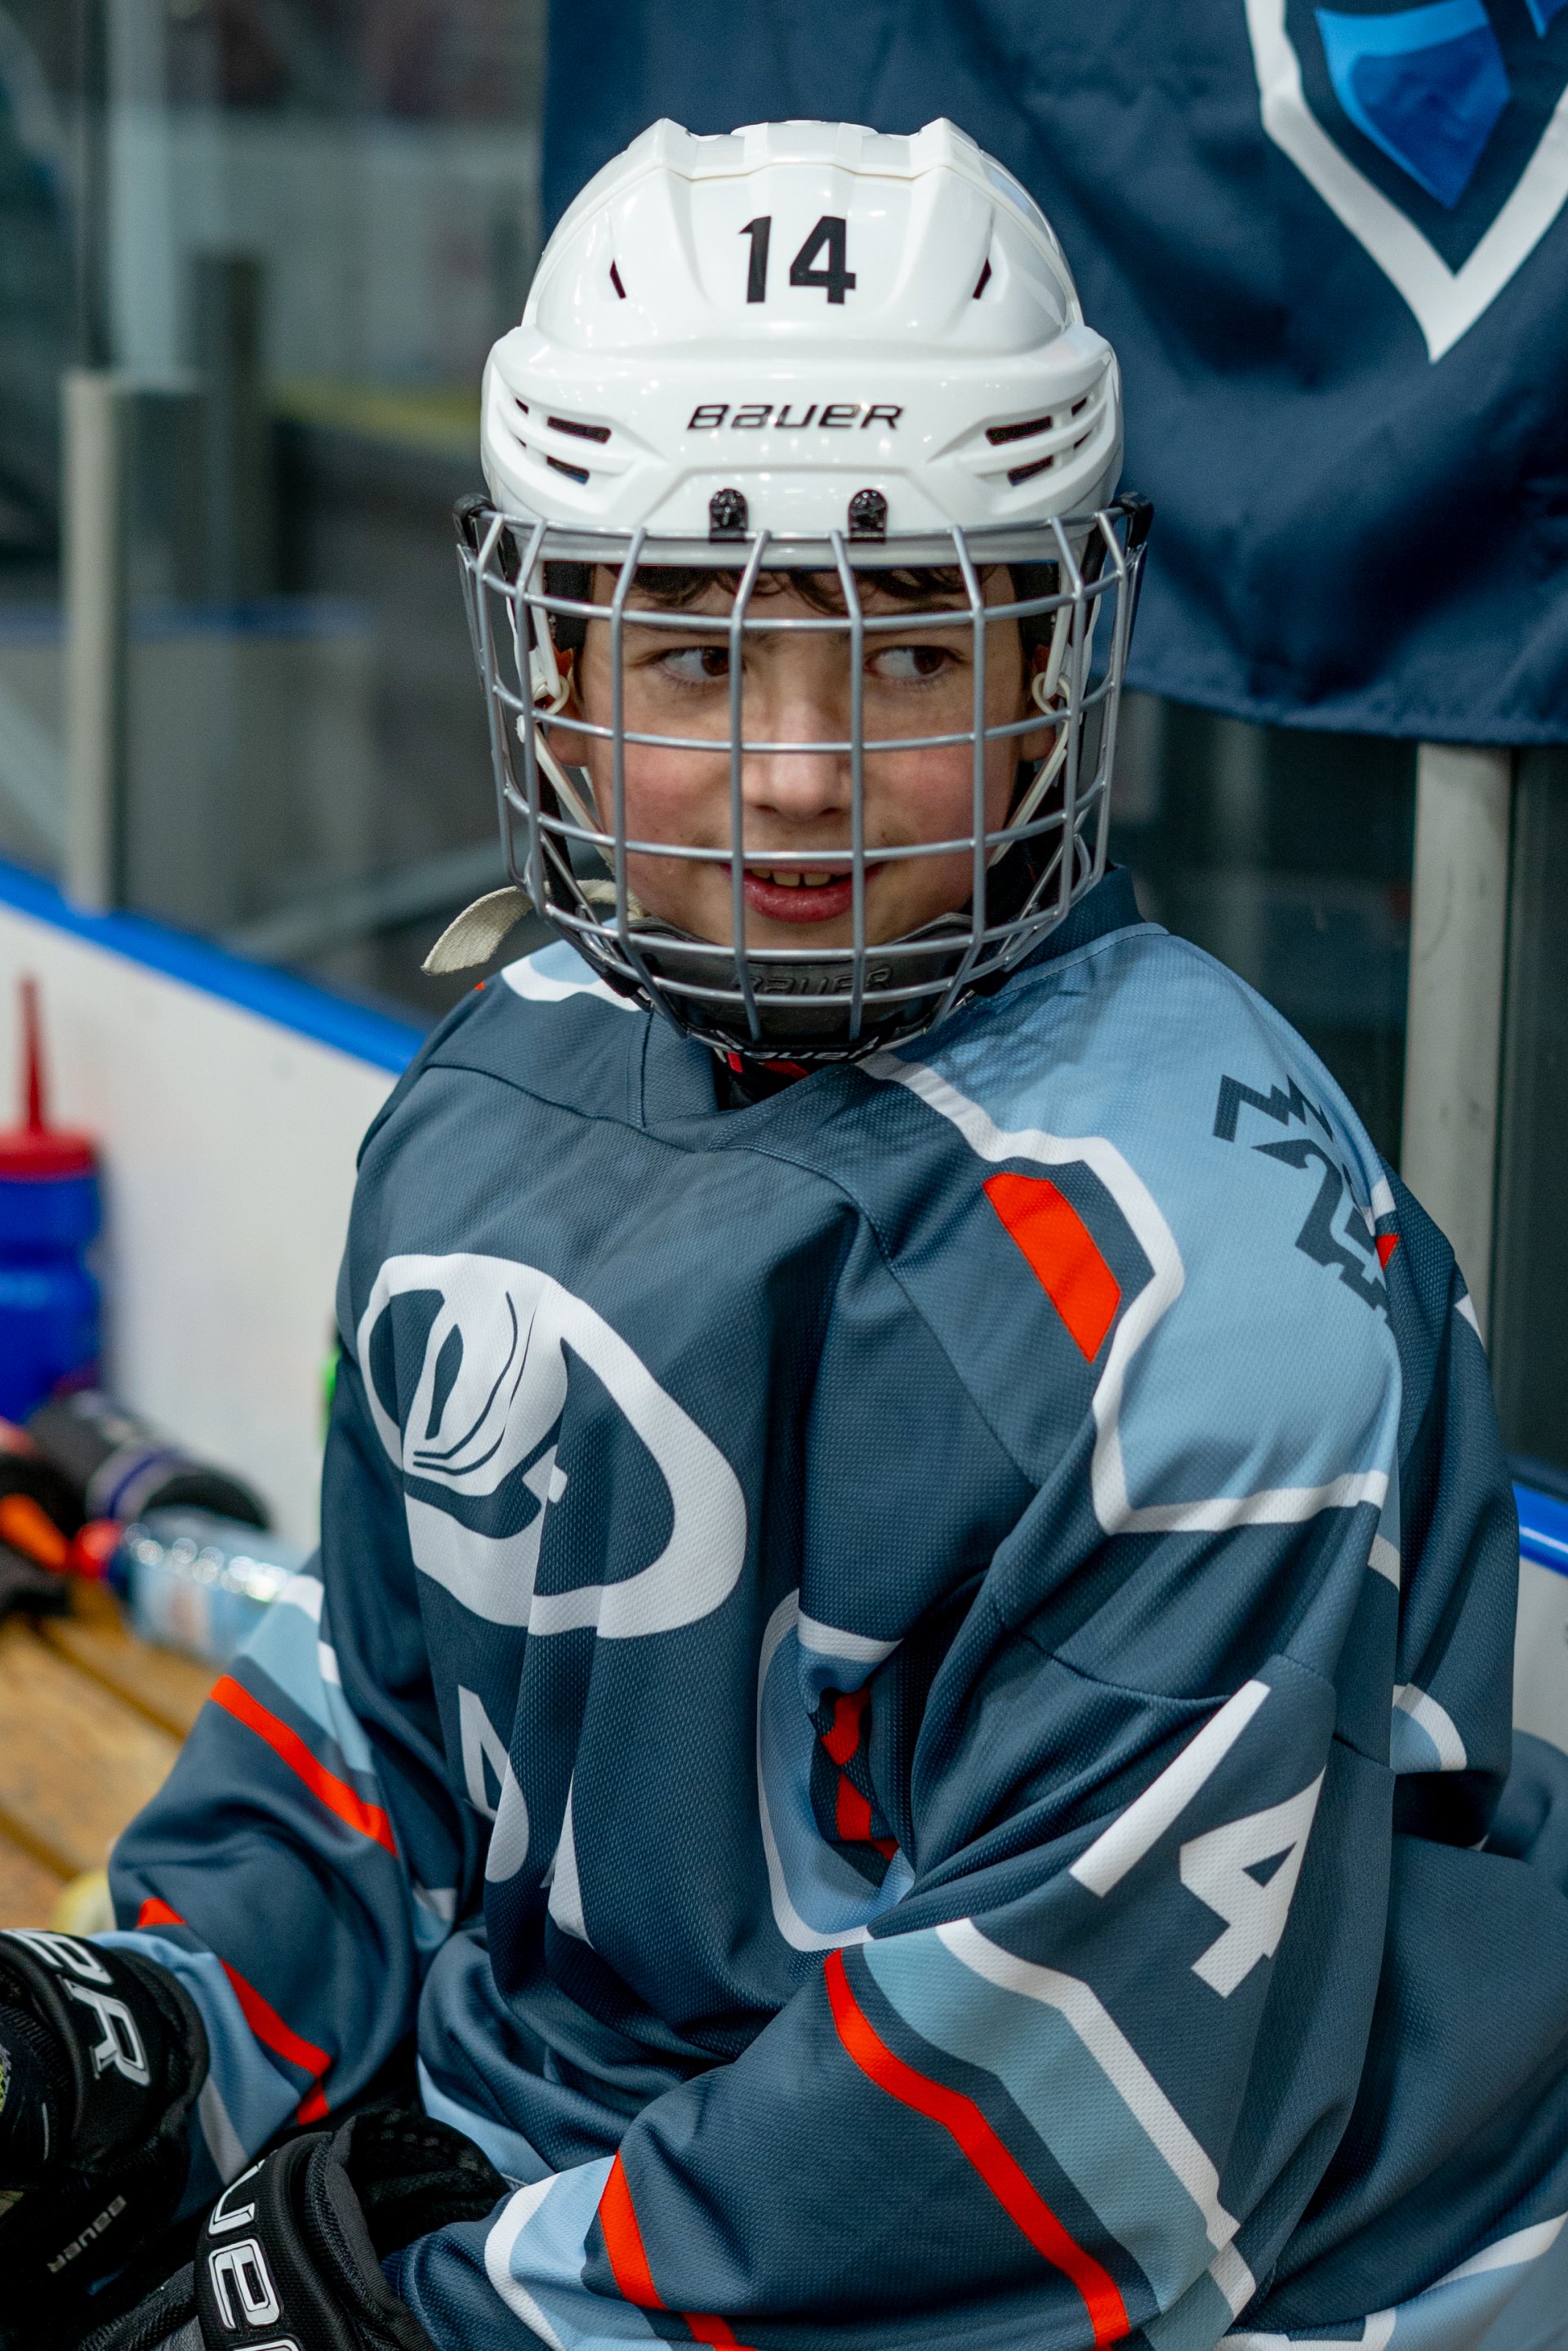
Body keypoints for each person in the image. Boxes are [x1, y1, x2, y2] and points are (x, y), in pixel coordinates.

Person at [2, 115, 1566, 2351]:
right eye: (694, 652)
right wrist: (157, 2029)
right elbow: (399, 1718)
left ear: (1057, 651)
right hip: (629, 2201)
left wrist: (431, 2315)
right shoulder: (502, 1080)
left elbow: (1045, 2147)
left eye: (913, 652)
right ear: (553, 661)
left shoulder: (1189, 1303)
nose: (801, 773)